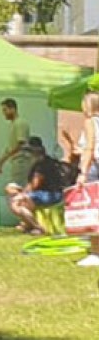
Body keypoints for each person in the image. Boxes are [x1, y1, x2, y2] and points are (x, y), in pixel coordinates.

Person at [5, 137, 65, 235]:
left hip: (50, 194)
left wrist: (21, 193)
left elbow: (35, 184)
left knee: (16, 202)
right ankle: (27, 224)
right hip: (48, 193)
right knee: (19, 199)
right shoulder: (46, 161)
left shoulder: (41, 164)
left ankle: (36, 226)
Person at [74, 94, 99, 268]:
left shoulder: (91, 122)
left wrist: (83, 172)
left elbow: (90, 147)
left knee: (94, 211)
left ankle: (96, 252)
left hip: (96, 166)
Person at [0, 97, 31, 193]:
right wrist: (1, 161)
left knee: (18, 188)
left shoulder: (20, 123)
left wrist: (7, 156)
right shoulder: (13, 125)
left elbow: (21, 144)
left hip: (21, 160)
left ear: (13, 109)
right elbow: (10, 146)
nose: (4, 113)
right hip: (15, 161)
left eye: (5, 110)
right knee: (15, 188)